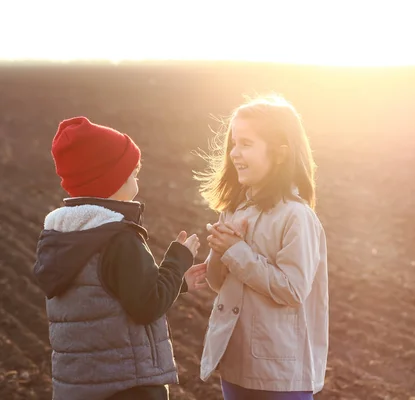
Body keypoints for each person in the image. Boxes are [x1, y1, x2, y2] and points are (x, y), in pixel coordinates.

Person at [32, 116, 207, 400]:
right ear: (110, 179)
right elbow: (146, 305)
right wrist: (178, 260)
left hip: (78, 387)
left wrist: (179, 283)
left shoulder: (62, 236)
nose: (137, 178)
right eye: (134, 173)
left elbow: (107, 291)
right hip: (128, 385)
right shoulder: (119, 238)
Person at [197, 95, 329, 399]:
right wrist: (219, 249)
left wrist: (235, 250)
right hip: (236, 362)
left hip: (279, 374)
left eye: (246, 144)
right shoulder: (234, 210)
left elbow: (293, 290)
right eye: (233, 143)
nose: (234, 153)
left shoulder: (296, 217)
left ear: (280, 153)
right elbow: (219, 284)